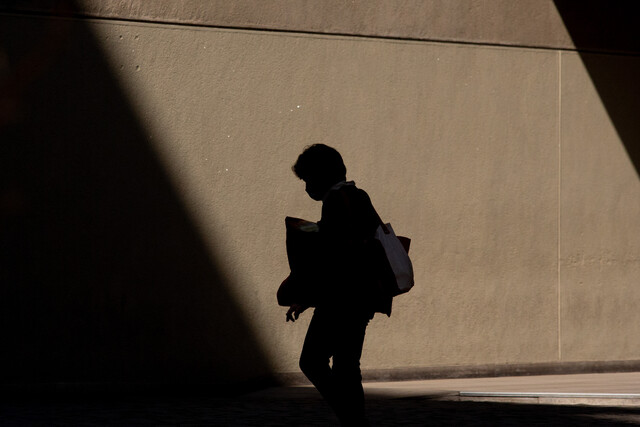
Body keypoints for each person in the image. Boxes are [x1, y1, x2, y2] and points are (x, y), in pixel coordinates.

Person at [285, 144, 390, 426]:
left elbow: (332, 252)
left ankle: (352, 420)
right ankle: (354, 421)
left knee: (312, 361)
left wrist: (297, 229)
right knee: (347, 366)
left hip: (341, 298)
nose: (307, 187)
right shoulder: (357, 195)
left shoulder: (336, 200)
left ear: (321, 175)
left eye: (308, 179)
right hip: (363, 297)